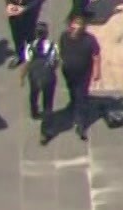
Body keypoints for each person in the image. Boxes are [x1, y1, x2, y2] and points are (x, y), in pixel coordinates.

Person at [59, 15, 101, 143]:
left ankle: (81, 126)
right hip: (68, 72)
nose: (74, 29)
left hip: (83, 74)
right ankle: (74, 103)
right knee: (72, 91)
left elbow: (96, 56)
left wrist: (97, 72)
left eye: (78, 26)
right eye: (73, 25)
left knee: (81, 97)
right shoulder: (64, 36)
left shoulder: (90, 40)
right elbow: (61, 50)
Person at [25, 22, 60, 144]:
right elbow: (56, 62)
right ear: (47, 34)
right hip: (48, 78)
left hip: (34, 76)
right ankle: (44, 132)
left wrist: (22, 76)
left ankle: (34, 111)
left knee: (33, 93)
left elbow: (27, 62)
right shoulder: (53, 46)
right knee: (48, 103)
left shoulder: (30, 46)